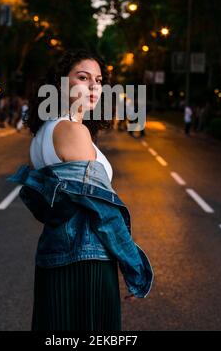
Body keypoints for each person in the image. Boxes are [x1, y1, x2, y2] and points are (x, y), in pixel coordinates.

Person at [16, 49, 153, 331]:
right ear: (61, 85)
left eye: (99, 80)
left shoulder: (43, 132)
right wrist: (134, 265)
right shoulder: (72, 131)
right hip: (87, 260)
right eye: (82, 77)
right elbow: (103, 210)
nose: (94, 86)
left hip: (54, 256)